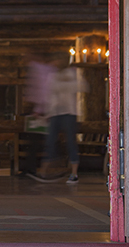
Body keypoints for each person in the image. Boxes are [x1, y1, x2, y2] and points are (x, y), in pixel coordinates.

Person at [42, 54, 87, 184]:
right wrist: (48, 112)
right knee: (50, 140)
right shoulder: (52, 76)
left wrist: (61, 85)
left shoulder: (72, 73)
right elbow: (50, 93)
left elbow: (81, 86)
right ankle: (46, 171)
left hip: (69, 112)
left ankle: (74, 173)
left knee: (71, 142)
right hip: (55, 113)